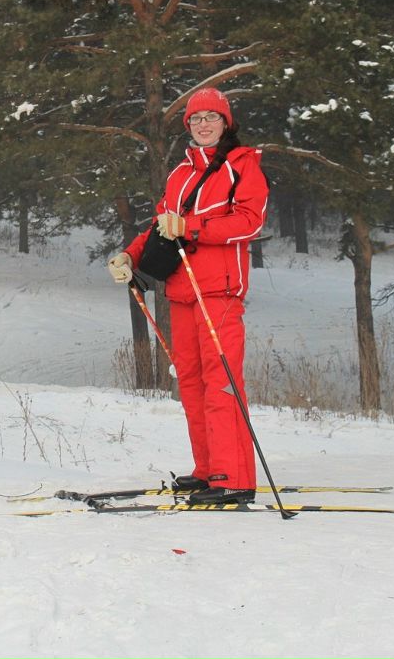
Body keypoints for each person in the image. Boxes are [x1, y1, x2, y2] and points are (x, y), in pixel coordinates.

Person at [106, 87, 268, 504]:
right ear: (189, 126)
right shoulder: (180, 174)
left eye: (212, 117)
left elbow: (250, 221)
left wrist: (193, 228)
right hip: (181, 290)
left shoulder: (242, 165)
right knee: (192, 384)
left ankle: (233, 476)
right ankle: (209, 470)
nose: (203, 124)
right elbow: (161, 225)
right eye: (196, 119)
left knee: (222, 383)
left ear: (225, 122)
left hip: (219, 289)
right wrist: (129, 254)